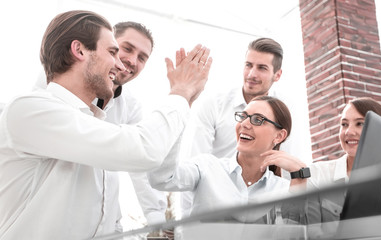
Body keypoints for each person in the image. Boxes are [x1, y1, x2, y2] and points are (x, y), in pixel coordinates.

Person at [0, 10, 211, 240]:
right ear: (79, 50)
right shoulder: (31, 108)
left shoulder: (98, 119)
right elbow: (141, 149)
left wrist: (184, 99)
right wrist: (179, 93)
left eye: (143, 57)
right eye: (114, 51)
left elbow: (114, 194)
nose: (121, 63)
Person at [148, 96, 309, 225]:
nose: (244, 124)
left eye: (257, 120)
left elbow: (294, 234)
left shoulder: (284, 189)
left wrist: (299, 178)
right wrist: (180, 106)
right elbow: (162, 179)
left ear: (279, 136)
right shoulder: (207, 167)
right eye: (243, 117)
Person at [179, 37, 294, 217]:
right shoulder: (214, 105)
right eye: (249, 65)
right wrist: (185, 224)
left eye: (262, 68)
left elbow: (287, 165)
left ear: (277, 75)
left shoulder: (284, 113)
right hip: (214, 206)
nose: (251, 74)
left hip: (262, 208)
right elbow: (192, 164)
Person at [305, 97, 381, 238]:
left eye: (360, 124)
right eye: (344, 124)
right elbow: (312, 233)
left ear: (380, 130)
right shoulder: (318, 173)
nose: (349, 132)